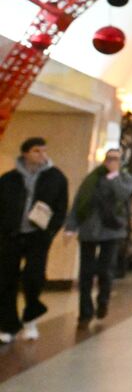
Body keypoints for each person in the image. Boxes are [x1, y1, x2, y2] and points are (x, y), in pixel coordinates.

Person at [0, 137, 68, 343]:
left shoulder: (56, 178)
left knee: (34, 277)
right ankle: (8, 324)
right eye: (37, 151)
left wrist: (50, 232)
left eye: (44, 151)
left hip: (37, 237)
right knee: (6, 280)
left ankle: (31, 315)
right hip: (10, 236)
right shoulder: (9, 179)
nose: (42, 155)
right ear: (25, 154)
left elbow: (61, 208)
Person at [63, 148, 132, 327]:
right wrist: (70, 227)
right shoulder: (92, 178)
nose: (112, 162)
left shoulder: (125, 178)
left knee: (105, 269)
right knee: (85, 272)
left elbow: (122, 194)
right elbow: (79, 202)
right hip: (88, 230)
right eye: (109, 158)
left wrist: (114, 176)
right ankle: (84, 313)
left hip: (112, 231)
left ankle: (103, 301)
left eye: (116, 159)